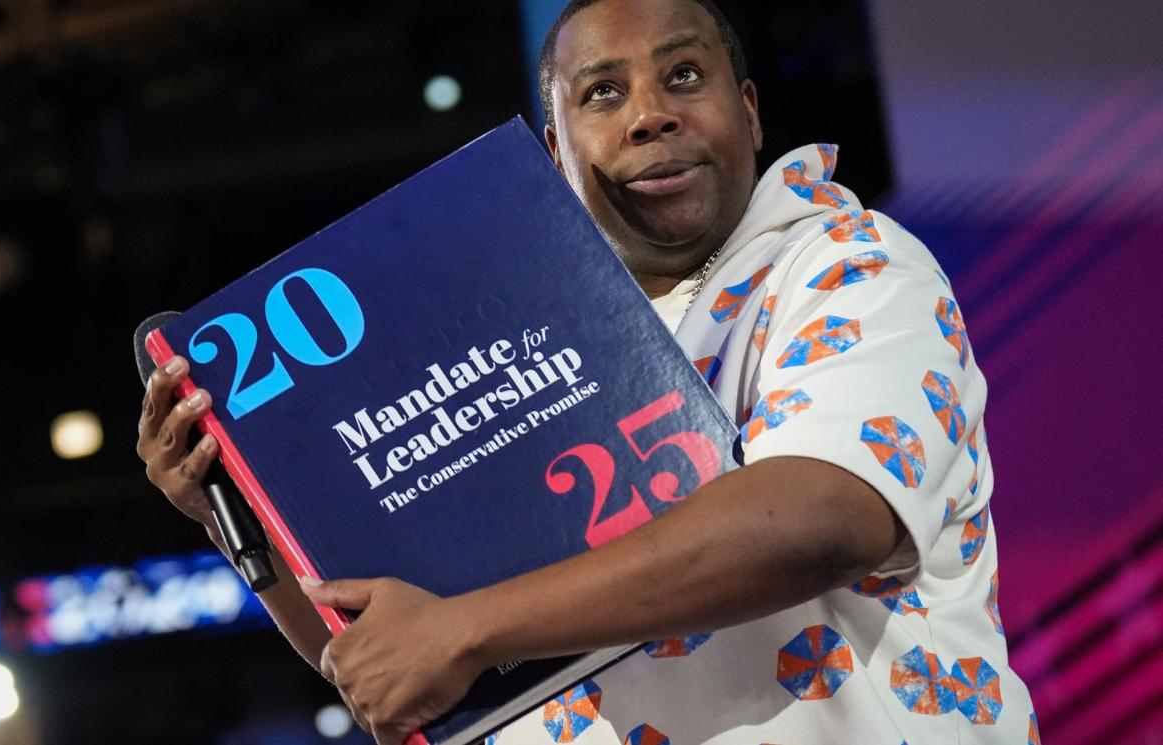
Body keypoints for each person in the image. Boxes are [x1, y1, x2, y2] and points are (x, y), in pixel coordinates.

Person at [137, 0, 1038, 743]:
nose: (651, 111)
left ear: (752, 112)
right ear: (556, 152)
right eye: (604, 93)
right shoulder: (504, 363)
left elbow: (819, 516)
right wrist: (244, 521)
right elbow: (404, 677)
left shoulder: (846, 263)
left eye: (684, 75)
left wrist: (464, 627)